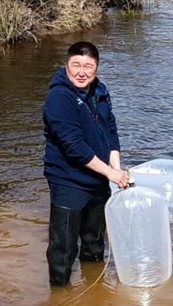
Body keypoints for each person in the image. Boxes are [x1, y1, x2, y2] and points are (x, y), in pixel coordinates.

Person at [43, 41, 132, 286]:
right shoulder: (59, 97)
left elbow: (111, 131)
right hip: (68, 182)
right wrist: (111, 174)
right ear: (66, 65)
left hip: (98, 181)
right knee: (64, 248)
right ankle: (59, 298)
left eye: (88, 67)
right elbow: (74, 147)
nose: (82, 72)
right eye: (76, 65)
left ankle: (95, 291)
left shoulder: (100, 91)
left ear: (96, 68)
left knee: (94, 243)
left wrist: (116, 169)